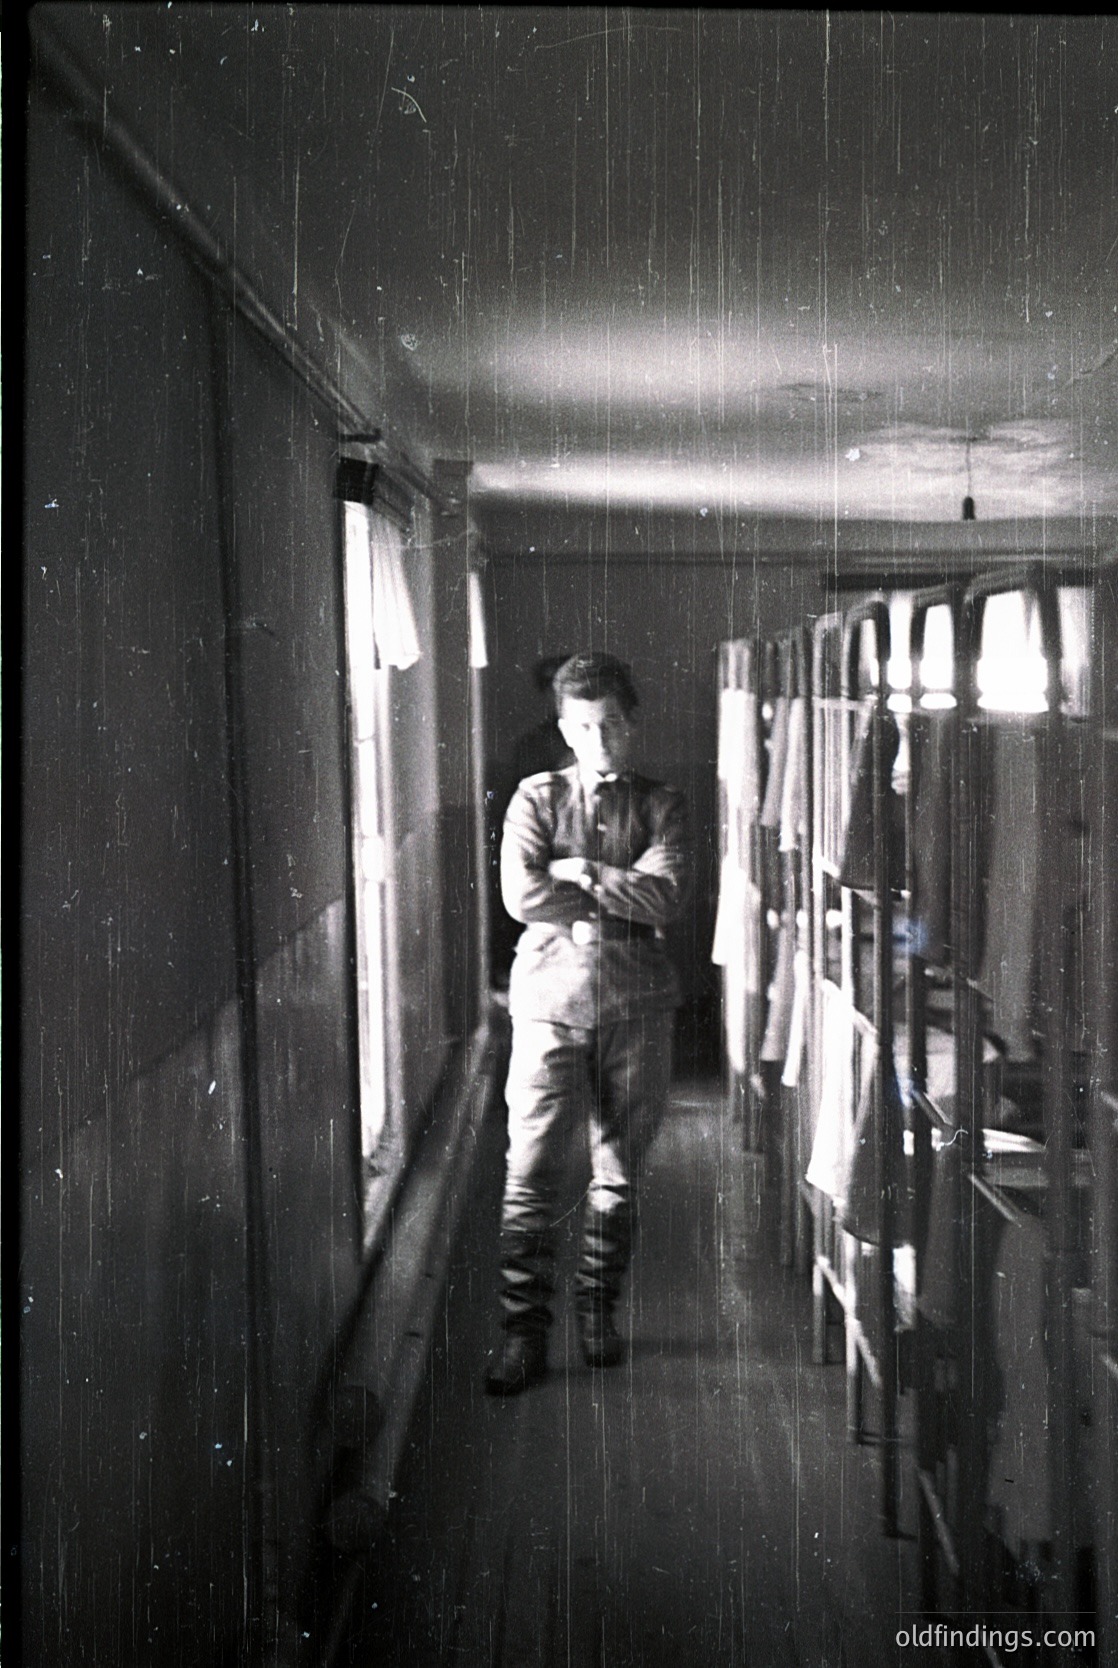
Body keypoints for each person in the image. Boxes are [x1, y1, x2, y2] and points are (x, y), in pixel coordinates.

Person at [485, 653, 693, 1395]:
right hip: (549, 1005)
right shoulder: (536, 799)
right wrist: (614, 888)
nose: (598, 740)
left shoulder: (662, 804)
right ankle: (522, 1334)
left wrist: (581, 874)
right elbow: (521, 896)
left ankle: (597, 1313)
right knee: (531, 1170)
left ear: (631, 725)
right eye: (582, 727)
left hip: (637, 1006)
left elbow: (668, 898)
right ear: (565, 730)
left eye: (610, 725)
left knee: (619, 1171)